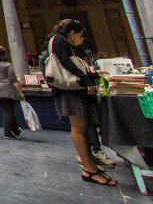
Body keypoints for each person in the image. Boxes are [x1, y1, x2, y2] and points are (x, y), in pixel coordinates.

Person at [47, 19, 117, 186]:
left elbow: (74, 64)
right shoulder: (59, 40)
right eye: (80, 35)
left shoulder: (71, 46)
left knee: (84, 128)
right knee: (78, 129)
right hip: (69, 91)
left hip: (76, 89)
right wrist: (87, 79)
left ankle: (91, 165)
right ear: (71, 33)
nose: (82, 39)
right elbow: (65, 62)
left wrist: (92, 76)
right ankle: (88, 168)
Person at [0, 45, 24, 139]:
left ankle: (15, 130)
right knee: (8, 110)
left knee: (7, 111)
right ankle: (7, 132)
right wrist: (20, 92)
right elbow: (13, 80)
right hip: (5, 89)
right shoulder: (7, 65)